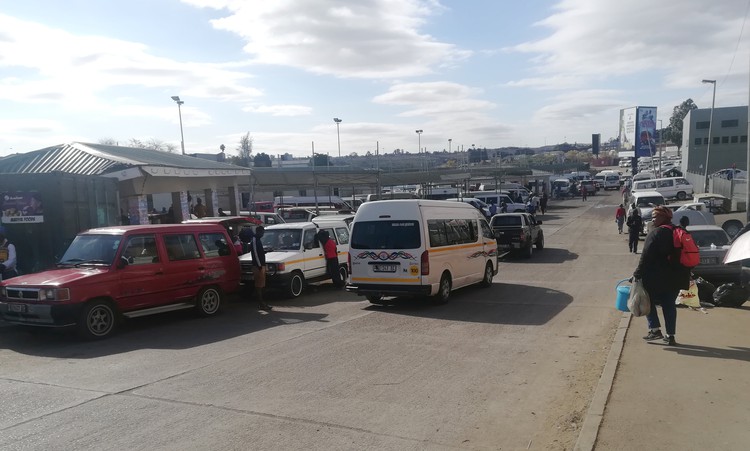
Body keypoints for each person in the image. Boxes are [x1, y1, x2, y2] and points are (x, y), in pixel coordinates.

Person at [632, 206, 690, 346]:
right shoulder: (680, 231)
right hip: (676, 277)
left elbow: (645, 257)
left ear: (665, 217)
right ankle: (670, 336)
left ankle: (654, 329)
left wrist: (637, 274)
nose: (653, 219)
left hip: (656, 278)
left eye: (655, 216)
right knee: (669, 305)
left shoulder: (656, 233)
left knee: (648, 302)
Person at [249, 226, 271, 311]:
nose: (263, 234)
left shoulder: (258, 240)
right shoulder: (254, 240)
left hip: (261, 265)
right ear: (258, 232)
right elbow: (255, 253)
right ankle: (261, 304)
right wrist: (259, 266)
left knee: (262, 285)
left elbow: (259, 252)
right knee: (259, 286)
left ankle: (263, 303)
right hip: (258, 266)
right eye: (262, 232)